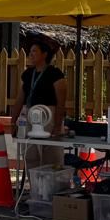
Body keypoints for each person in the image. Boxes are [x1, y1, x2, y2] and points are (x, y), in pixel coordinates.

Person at [10, 38, 67, 169]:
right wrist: (13, 121)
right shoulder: (28, 74)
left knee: (51, 155)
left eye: (34, 51)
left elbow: (61, 102)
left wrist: (57, 126)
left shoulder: (55, 74)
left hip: (49, 115)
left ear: (44, 54)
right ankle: (34, 186)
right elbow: (20, 99)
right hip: (30, 114)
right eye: (30, 51)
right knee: (30, 155)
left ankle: (51, 186)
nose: (31, 54)